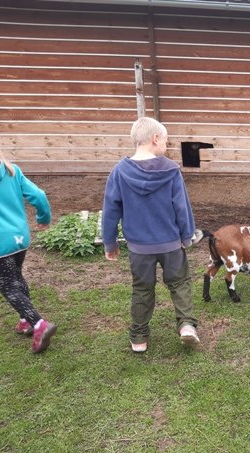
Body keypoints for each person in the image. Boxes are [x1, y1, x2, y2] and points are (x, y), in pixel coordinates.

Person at [102, 117, 200, 353]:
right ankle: (186, 325)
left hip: (139, 248)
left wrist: (109, 242)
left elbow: (111, 209)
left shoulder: (119, 172)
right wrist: (187, 235)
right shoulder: (172, 171)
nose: (167, 145)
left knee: (142, 289)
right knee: (179, 284)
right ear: (155, 138)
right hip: (171, 245)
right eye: (166, 140)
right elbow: (182, 207)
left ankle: (139, 338)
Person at [0, 145, 57, 353]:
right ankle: (25, 321)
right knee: (16, 277)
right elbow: (38, 195)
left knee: (8, 286)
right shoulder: (12, 170)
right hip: (20, 238)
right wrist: (43, 217)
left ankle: (39, 324)